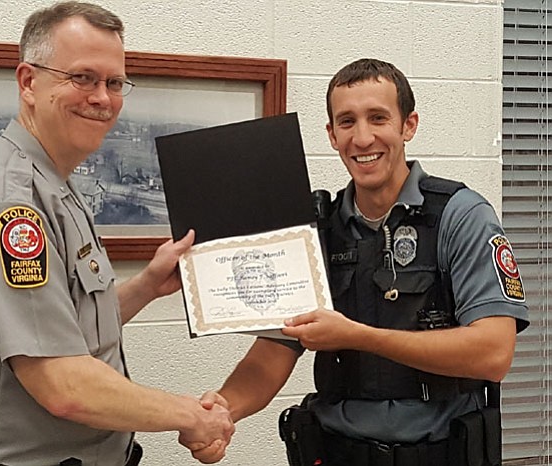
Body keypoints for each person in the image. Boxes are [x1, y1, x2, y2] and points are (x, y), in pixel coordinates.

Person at [0, 2, 233, 465]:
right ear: (28, 82)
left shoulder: (52, 184)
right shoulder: (10, 204)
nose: (102, 97)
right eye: (82, 78)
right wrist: (190, 415)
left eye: (114, 82)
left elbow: (57, 330)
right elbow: (62, 383)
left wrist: (145, 287)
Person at [194, 58, 530, 465]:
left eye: (378, 118)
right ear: (332, 135)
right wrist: (223, 412)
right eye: (347, 122)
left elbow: (493, 353)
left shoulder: (461, 216)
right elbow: (273, 353)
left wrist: (359, 336)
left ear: (408, 125)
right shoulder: (316, 228)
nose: (363, 137)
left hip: (438, 454)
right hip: (335, 451)